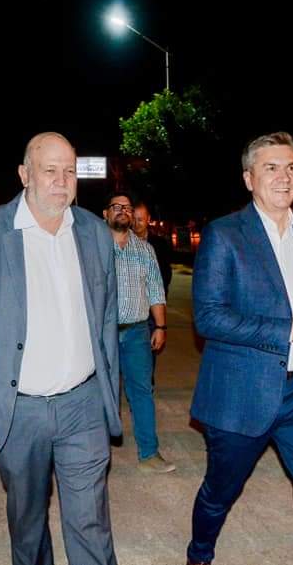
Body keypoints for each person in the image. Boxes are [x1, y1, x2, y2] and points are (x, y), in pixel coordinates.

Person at [0, 132, 121, 565]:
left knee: (91, 522)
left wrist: (108, 398)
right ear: (25, 175)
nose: (62, 180)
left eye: (70, 171)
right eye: (49, 170)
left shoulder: (95, 233)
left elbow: (106, 320)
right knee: (28, 523)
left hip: (83, 405)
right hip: (17, 410)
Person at [186, 132, 293, 565]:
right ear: (249, 178)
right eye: (271, 168)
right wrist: (288, 330)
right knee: (219, 493)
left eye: (290, 167)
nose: (283, 177)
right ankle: (199, 554)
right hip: (241, 395)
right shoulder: (224, 234)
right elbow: (209, 317)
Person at [104, 192, 175, 473]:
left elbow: (156, 290)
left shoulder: (145, 250)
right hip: (102, 334)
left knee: (142, 392)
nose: (123, 211)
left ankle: (149, 453)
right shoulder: (93, 248)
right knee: (101, 393)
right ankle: (94, 456)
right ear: (106, 214)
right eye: (116, 206)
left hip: (136, 333)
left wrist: (161, 326)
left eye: (127, 208)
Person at [133, 199, 173, 296]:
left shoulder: (160, 244)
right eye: (133, 219)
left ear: (148, 219)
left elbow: (165, 274)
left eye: (140, 220)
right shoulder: (123, 243)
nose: (136, 223)